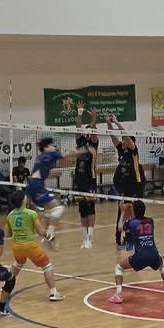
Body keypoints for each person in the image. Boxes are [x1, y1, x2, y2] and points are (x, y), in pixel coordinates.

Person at [0, 190, 65, 310]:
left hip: (17, 247)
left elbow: (7, 234)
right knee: (46, 265)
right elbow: (41, 232)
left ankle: (6, 287)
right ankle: (54, 293)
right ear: (23, 200)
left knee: (18, 264)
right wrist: (49, 236)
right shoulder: (31, 213)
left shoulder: (10, 215)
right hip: (30, 246)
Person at [26, 136, 95, 248]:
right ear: (47, 147)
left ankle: (46, 239)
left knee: (47, 211)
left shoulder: (40, 157)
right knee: (59, 208)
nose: (54, 147)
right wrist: (87, 150)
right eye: (52, 145)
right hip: (37, 185)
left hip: (31, 185)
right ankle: (50, 234)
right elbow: (70, 154)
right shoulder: (50, 154)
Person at [109, 200, 164, 304]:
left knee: (119, 268)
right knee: (162, 265)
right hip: (153, 254)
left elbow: (120, 228)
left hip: (140, 256)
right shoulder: (150, 221)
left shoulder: (131, 223)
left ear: (133, 210)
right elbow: (138, 220)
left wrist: (123, 212)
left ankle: (118, 294)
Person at [107, 113, 144, 250]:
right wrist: (108, 123)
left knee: (133, 214)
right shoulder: (120, 150)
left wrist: (117, 122)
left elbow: (126, 136)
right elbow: (112, 136)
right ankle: (119, 239)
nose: (122, 143)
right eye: (122, 141)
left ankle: (132, 239)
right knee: (122, 212)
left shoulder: (133, 151)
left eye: (125, 141)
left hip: (136, 185)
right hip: (124, 186)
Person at [74, 102, 99, 249]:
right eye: (87, 131)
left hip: (90, 178)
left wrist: (94, 120)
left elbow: (94, 131)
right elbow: (78, 127)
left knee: (90, 208)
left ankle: (90, 237)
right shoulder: (80, 141)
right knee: (82, 209)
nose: (88, 132)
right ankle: (84, 236)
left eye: (90, 131)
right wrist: (79, 112)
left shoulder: (93, 143)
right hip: (79, 178)